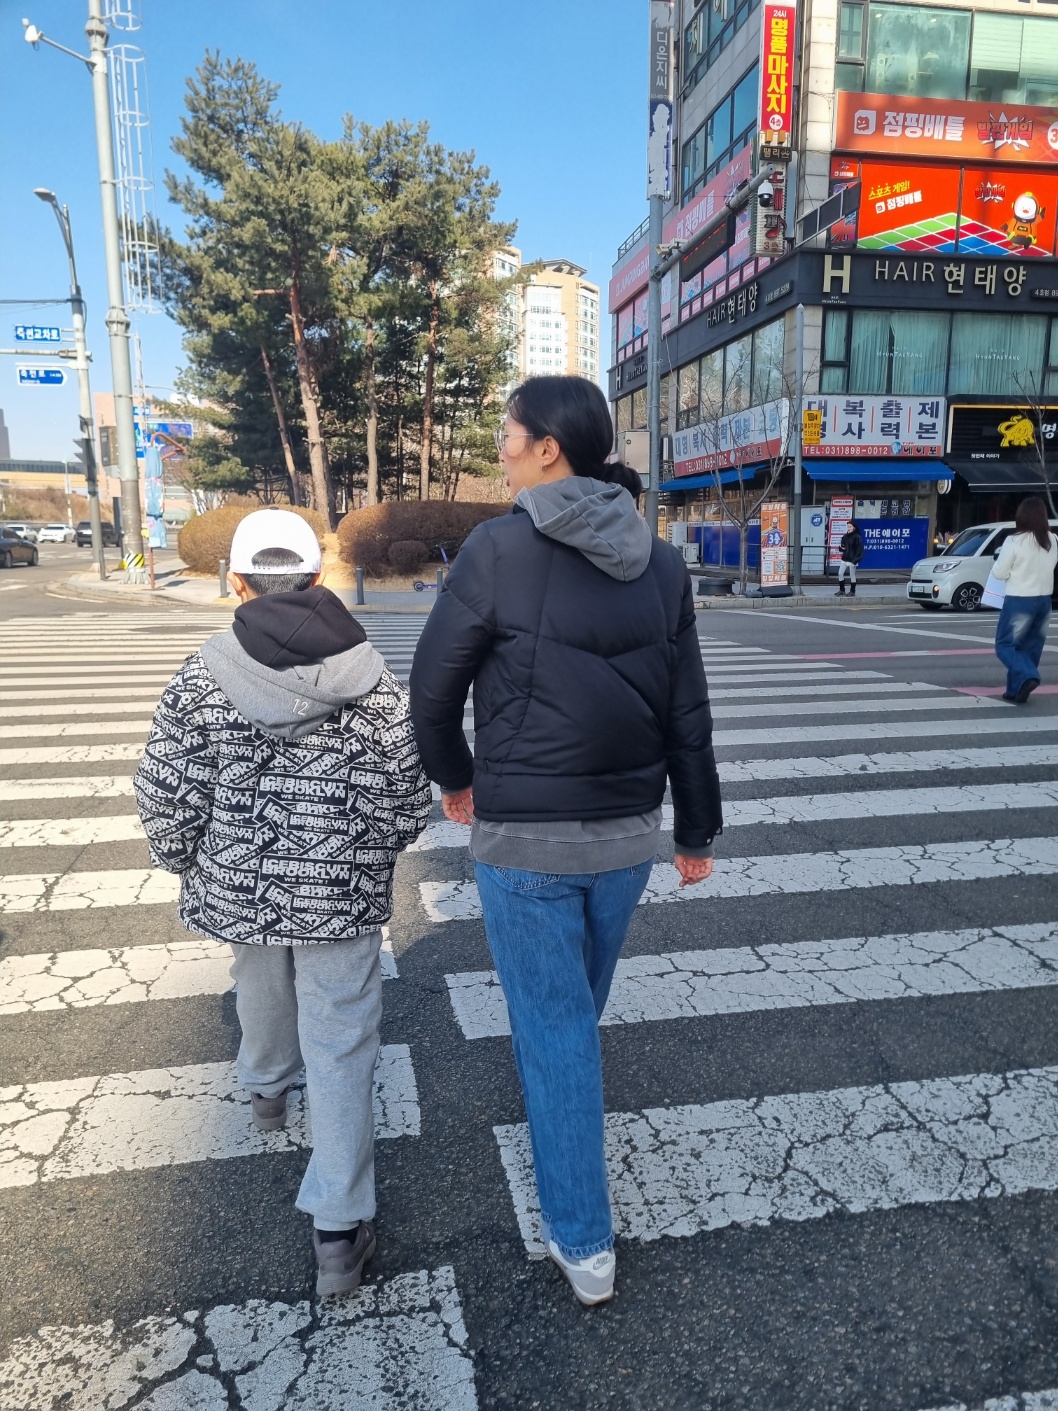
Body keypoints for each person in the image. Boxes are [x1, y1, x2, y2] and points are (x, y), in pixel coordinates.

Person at [410, 376, 723, 1307]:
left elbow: (432, 690)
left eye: (509, 435)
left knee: (556, 1034)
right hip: (626, 841)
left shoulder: (497, 549)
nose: (501, 448)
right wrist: (695, 828)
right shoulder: (660, 563)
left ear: (548, 447)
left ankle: (583, 1240)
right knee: (573, 1016)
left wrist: (456, 779)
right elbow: (688, 710)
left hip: (525, 841)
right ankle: (565, 1125)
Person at [134, 509, 430, 1296]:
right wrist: (376, 850)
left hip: (242, 883)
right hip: (340, 889)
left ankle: (267, 1087)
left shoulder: (203, 676)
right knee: (341, 1040)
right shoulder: (370, 676)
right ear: (316, 577)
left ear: (236, 582)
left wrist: (187, 859)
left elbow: (165, 790)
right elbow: (406, 790)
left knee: (258, 981)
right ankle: (339, 1228)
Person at [992, 495, 1057, 704]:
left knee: (1005, 645)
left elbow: (999, 573)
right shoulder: (1052, 540)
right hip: (1044, 601)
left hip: (1019, 599)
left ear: (1021, 516)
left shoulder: (1014, 540)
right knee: (1031, 647)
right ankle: (1015, 690)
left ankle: (1028, 676)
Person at [835, 518, 863, 595]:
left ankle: (852, 591)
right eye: (848, 527)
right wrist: (841, 548)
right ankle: (842, 590)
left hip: (852, 559)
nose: (849, 528)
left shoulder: (857, 537)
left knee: (852, 575)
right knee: (840, 573)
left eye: (850, 527)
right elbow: (842, 547)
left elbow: (859, 550)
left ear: (854, 527)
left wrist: (855, 560)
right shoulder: (845, 536)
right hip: (845, 557)